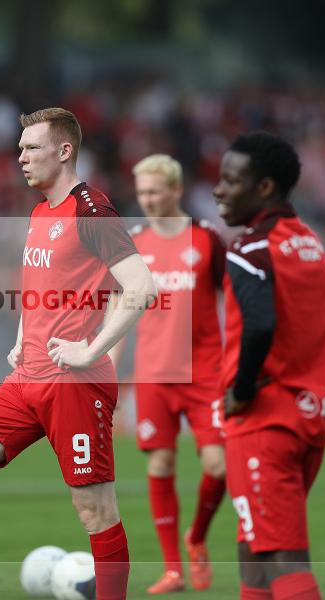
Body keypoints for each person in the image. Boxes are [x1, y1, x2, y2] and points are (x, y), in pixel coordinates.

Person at [0, 108, 157, 600]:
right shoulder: (42, 211)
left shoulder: (92, 210)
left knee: (94, 510)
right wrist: (24, 334)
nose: (20, 157)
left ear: (64, 151)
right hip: (27, 379)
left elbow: (141, 287)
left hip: (74, 384)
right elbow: (41, 286)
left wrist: (91, 349)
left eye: (31, 148)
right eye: (20, 148)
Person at [213, 131, 325, 600]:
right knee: (255, 545)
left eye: (230, 181)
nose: (218, 190)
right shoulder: (307, 244)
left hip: (263, 422)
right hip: (308, 417)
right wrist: (318, 385)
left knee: (283, 556)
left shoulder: (249, 249)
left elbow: (260, 325)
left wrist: (243, 391)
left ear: (264, 188)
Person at [109, 154, 227, 593]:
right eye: (142, 192)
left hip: (206, 372)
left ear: (176, 190)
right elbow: (120, 307)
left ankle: (196, 536)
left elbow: (232, 297)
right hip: (154, 374)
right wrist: (109, 364)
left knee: (218, 464)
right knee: (160, 463)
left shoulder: (207, 239)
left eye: (155, 191)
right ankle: (173, 569)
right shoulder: (134, 244)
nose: (148, 199)